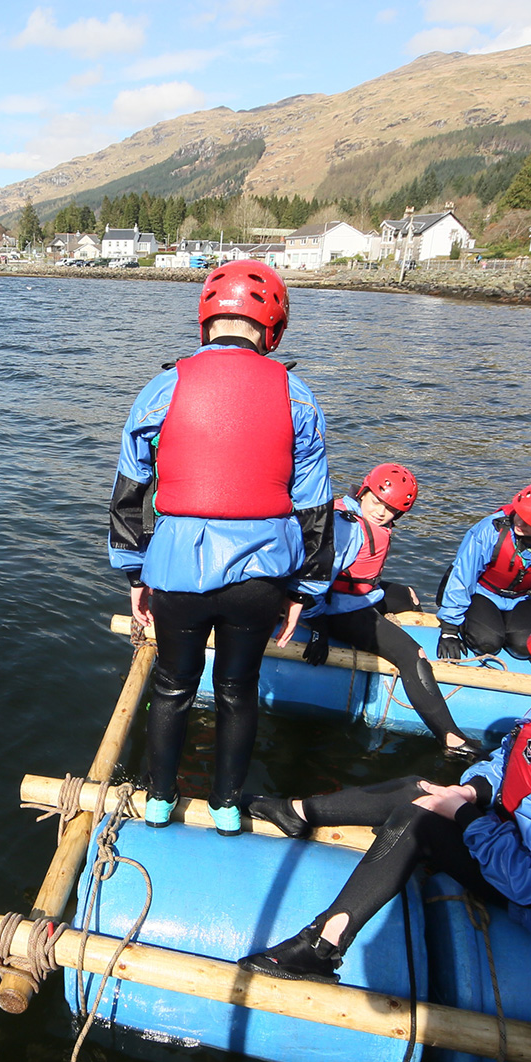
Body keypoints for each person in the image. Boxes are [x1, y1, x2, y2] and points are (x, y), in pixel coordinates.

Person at [241, 610, 531, 982]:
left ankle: (323, 945)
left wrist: (465, 818)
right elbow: (512, 757)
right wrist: (472, 789)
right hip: (517, 839)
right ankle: (298, 811)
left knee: (418, 819)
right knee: (421, 787)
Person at [109, 260, 333, 836]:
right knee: (238, 690)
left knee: (172, 685)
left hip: (177, 573)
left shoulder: (163, 387)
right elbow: (315, 507)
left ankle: (160, 801)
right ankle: (228, 806)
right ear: (274, 327)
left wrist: (136, 575)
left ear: (204, 321)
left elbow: (130, 492)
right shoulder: (298, 395)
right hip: (260, 581)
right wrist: (303, 590)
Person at [299, 463, 474, 756]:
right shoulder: (345, 525)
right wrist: (318, 628)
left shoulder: (366, 517)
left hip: (359, 593)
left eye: (390, 509)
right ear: (365, 491)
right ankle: (451, 739)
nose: (381, 512)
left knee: (408, 596)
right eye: (377, 502)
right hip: (336, 609)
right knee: (411, 654)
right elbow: (314, 581)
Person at [435, 480, 531, 661]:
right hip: (483, 593)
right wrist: (449, 630)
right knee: (486, 643)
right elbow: (462, 576)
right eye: (520, 514)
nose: (520, 522)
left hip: (524, 598)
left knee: (524, 647)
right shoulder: (490, 529)